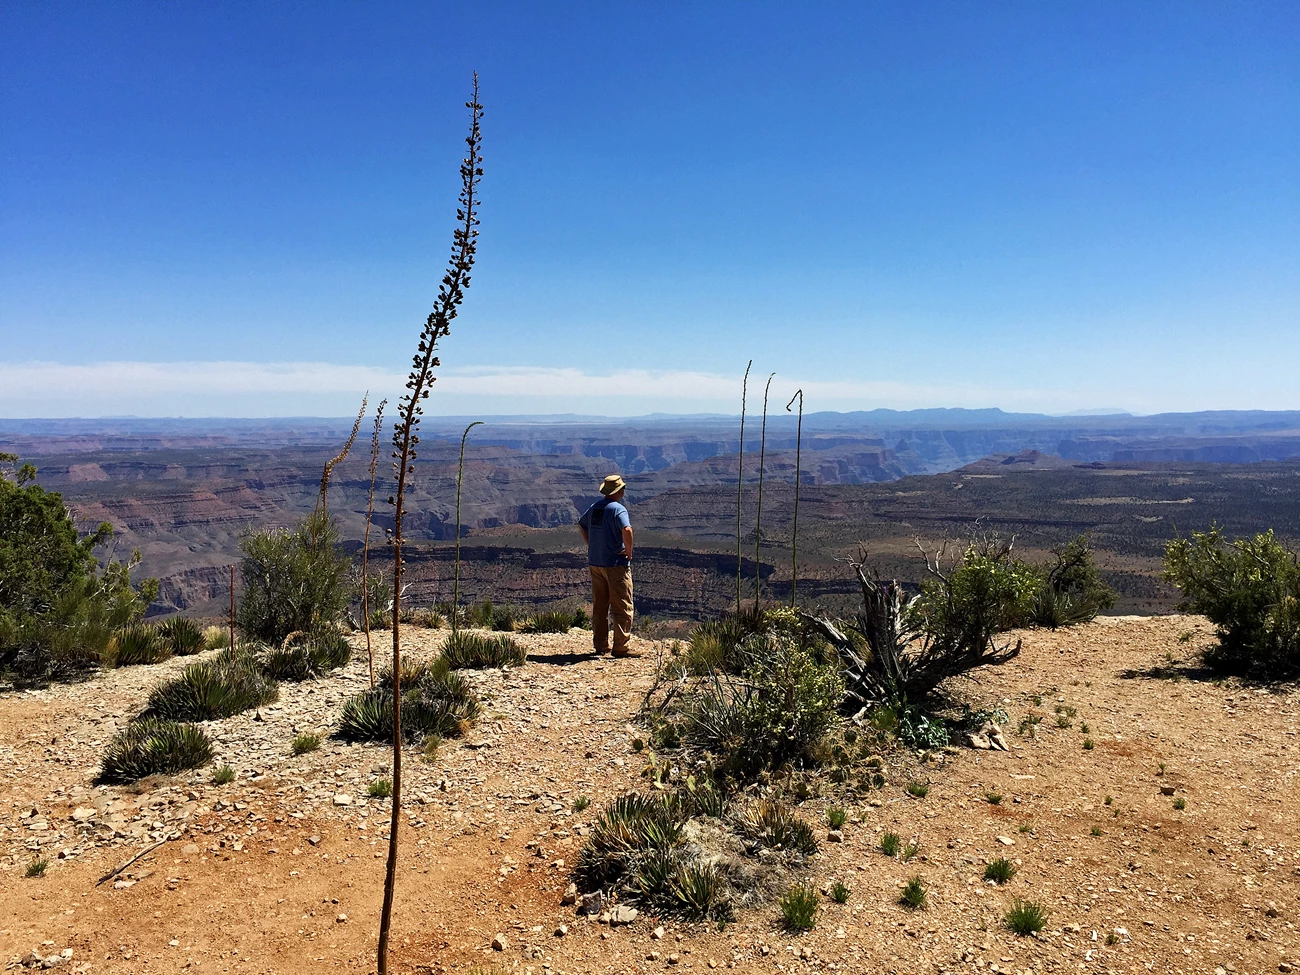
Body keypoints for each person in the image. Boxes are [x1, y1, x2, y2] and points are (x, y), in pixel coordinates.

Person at [578, 473, 636, 657]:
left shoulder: (595, 507)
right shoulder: (618, 509)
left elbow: (581, 525)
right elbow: (627, 529)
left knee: (600, 606)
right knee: (622, 606)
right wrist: (629, 551)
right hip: (615, 564)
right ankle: (620, 647)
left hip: (595, 563)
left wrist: (591, 544)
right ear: (619, 491)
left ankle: (601, 645)